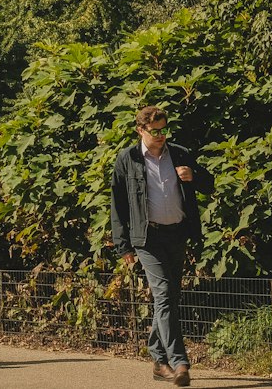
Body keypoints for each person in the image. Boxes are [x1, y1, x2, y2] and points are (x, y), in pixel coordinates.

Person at [111, 106, 213, 388]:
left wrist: (194, 176)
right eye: (154, 131)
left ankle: (158, 361)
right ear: (140, 130)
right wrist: (124, 246)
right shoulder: (127, 159)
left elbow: (209, 183)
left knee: (169, 298)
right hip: (147, 238)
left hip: (177, 234)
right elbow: (117, 205)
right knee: (164, 294)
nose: (160, 135)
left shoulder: (179, 153)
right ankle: (179, 362)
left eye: (163, 129)